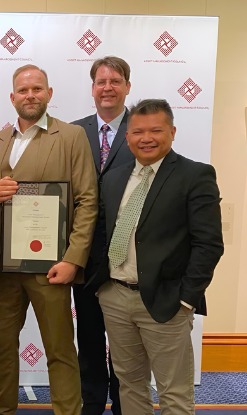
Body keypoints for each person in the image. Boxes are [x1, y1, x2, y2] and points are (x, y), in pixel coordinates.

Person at [0, 65, 98, 415]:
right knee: (0, 344)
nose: (31, 95)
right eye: (24, 90)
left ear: (49, 93)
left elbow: (87, 201)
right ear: (13, 97)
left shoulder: (71, 137)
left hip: (52, 266)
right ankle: (1, 410)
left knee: (59, 349)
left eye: (37, 89)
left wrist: (73, 259)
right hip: (5, 266)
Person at [90, 99, 223, 415]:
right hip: (115, 297)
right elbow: (103, 233)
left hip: (168, 301)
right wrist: (101, 287)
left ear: (172, 132)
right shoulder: (113, 178)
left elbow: (208, 244)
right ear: (127, 137)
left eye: (156, 130)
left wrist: (187, 298)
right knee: (129, 385)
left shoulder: (195, 175)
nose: (146, 138)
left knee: (174, 393)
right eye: (138, 132)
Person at [70, 56, 136, 415]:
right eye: (101, 81)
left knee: (127, 340)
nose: (107, 88)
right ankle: (92, 403)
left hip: (130, 254)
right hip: (84, 255)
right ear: (93, 88)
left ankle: (125, 404)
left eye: (115, 81)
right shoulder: (73, 132)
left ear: (127, 86)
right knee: (90, 335)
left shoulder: (141, 128)